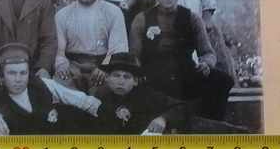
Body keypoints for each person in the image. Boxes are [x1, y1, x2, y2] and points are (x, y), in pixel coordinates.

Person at [129, 0, 234, 121]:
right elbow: (134, 56)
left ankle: (207, 124)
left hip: (184, 75)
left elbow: (207, 53)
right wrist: (137, 74)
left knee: (223, 80)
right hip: (154, 76)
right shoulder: (142, 19)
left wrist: (206, 64)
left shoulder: (192, 18)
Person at [93, 52, 242, 134]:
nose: (120, 81)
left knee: (226, 133)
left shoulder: (147, 95)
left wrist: (163, 119)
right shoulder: (100, 98)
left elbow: (181, 107)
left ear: (136, 81)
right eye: (116, 76)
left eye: (127, 77)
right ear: (107, 78)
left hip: (182, 130)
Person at [0, 43, 101, 134]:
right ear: (1, 75)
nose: (18, 79)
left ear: (29, 73)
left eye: (23, 73)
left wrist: (102, 112)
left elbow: (81, 100)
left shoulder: (42, 84)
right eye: (12, 73)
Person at [53, 0, 129, 91]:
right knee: (59, 90)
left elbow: (118, 49)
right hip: (72, 66)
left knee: (104, 95)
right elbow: (60, 51)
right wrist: (61, 65)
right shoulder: (62, 15)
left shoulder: (113, 12)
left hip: (103, 66)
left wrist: (105, 67)